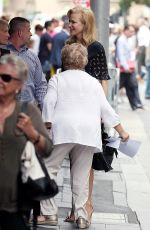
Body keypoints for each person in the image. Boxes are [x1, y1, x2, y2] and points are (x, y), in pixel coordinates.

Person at [41, 43, 129, 229]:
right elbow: (106, 110)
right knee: (81, 175)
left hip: (62, 130)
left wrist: (47, 123)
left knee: (48, 168)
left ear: (64, 59)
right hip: (88, 132)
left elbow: (49, 102)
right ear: (85, 61)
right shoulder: (93, 82)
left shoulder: (57, 80)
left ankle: (49, 213)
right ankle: (82, 216)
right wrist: (121, 131)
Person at [65, 5, 110, 222]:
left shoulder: (96, 48)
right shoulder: (67, 45)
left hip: (90, 112)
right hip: (70, 110)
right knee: (74, 160)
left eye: (73, 21)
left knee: (88, 161)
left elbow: (103, 81)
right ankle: (76, 206)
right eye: (70, 21)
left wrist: (102, 112)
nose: (70, 24)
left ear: (85, 24)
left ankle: (86, 206)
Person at [0, 54, 53, 230]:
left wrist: (32, 133)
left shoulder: (27, 111)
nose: (0, 81)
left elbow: (47, 149)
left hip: (15, 205)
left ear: (19, 84)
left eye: (6, 78)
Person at [3, 17, 47, 110]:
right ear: (20, 33)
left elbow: (41, 85)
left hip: (29, 111)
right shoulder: (2, 53)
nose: (31, 34)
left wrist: (41, 108)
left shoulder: (33, 56)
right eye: (29, 30)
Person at [115, 25, 143, 110]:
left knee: (131, 86)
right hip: (125, 68)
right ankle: (136, 104)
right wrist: (126, 66)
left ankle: (136, 104)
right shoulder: (121, 40)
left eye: (133, 31)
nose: (132, 33)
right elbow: (121, 55)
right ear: (125, 31)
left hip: (127, 68)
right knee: (127, 85)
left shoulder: (126, 40)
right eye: (131, 31)